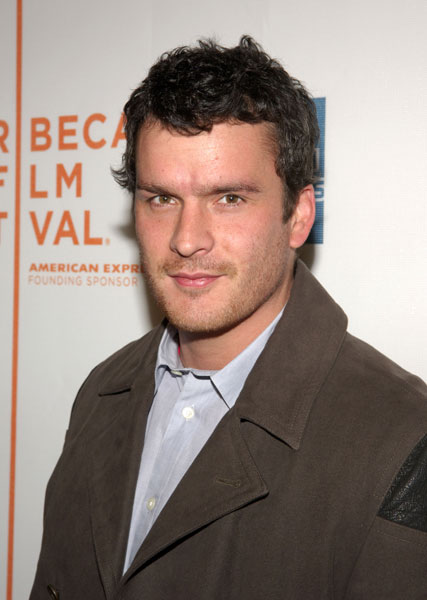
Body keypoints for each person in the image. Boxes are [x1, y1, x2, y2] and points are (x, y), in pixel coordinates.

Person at [31, 37, 427, 600]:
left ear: (299, 216)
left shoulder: (402, 437)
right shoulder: (100, 393)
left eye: (229, 199)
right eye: (161, 198)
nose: (186, 239)